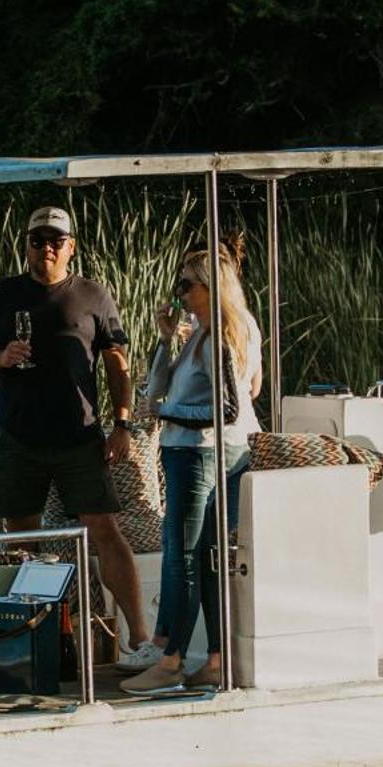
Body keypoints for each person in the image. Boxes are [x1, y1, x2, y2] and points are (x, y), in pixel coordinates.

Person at [0, 206, 155, 655]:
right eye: (37, 239)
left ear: (71, 246)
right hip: (19, 437)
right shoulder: (3, 294)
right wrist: (0, 358)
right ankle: (23, 641)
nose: (46, 247)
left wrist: (122, 424)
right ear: (25, 245)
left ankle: (138, 636)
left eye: (56, 240)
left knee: (105, 530)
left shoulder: (93, 295)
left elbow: (117, 364)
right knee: (20, 538)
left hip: (79, 436)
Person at [121, 239, 263, 695]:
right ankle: (216, 660)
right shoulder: (204, 333)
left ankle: (171, 661)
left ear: (210, 288)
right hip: (211, 454)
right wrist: (166, 340)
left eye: (187, 284)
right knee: (205, 561)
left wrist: (167, 415)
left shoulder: (218, 336)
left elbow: (227, 410)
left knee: (184, 559)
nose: (179, 292)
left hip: (199, 454)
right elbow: (160, 383)